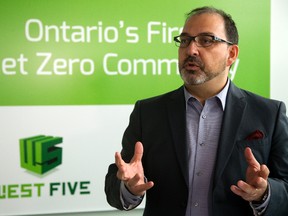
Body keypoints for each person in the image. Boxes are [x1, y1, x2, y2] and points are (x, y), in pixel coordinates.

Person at [105, 6, 288, 216]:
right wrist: (129, 187)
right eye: (184, 40)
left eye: (206, 40)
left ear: (231, 54)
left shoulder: (269, 114)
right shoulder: (148, 113)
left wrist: (264, 193)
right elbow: (117, 184)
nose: (191, 50)